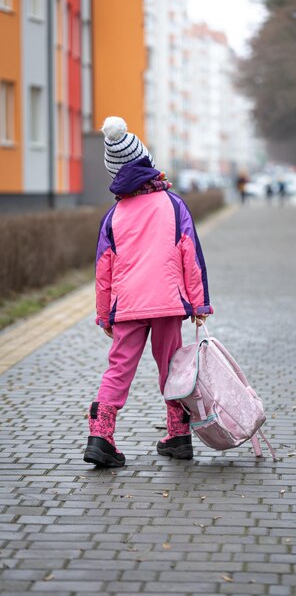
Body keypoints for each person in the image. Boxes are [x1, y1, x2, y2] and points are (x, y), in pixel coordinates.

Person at [83, 116, 213, 468]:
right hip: (169, 303)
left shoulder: (114, 216)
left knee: (118, 369)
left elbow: (104, 270)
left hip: (127, 307)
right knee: (172, 368)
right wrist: (198, 303)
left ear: (116, 175)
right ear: (147, 163)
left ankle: (101, 437)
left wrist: (104, 313)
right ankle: (179, 436)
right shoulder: (173, 205)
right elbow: (191, 255)